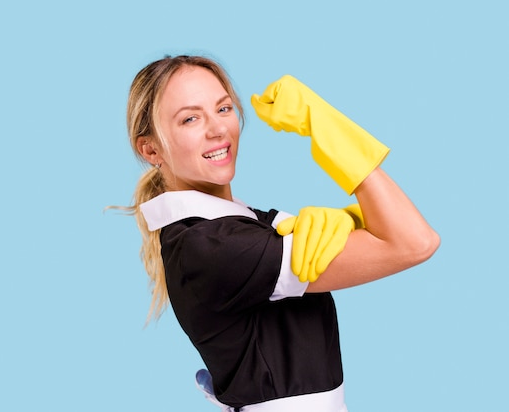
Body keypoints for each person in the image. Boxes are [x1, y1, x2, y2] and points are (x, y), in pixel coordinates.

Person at [123, 54, 440, 411]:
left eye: (224, 109)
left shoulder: (245, 226)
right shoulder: (212, 247)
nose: (217, 129)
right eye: (190, 118)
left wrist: (353, 222)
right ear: (151, 149)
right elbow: (415, 241)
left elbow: (401, 232)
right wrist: (325, 127)